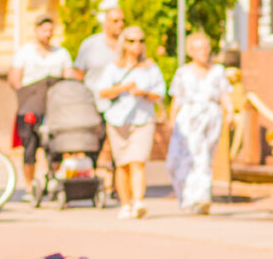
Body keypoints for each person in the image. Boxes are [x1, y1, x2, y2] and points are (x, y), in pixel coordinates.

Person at [91, 26, 166, 218]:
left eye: (141, 41)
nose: (137, 45)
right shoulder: (113, 66)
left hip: (142, 119)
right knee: (122, 164)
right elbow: (102, 91)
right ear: (123, 43)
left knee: (138, 161)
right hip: (118, 121)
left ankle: (139, 202)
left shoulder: (150, 66)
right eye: (131, 41)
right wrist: (123, 87)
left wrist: (144, 93)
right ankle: (125, 204)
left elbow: (161, 93)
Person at [167, 33, 233, 215]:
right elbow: (177, 99)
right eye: (198, 48)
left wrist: (230, 112)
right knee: (177, 160)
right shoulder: (183, 72)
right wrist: (172, 120)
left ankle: (202, 197)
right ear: (190, 51)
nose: (203, 52)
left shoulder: (218, 71)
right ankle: (188, 196)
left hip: (211, 117)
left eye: (205, 48)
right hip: (188, 117)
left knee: (202, 156)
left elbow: (224, 94)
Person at [9, 13, 71, 180]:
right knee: (30, 146)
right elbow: (14, 78)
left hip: (54, 106)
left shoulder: (61, 53)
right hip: (30, 105)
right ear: (36, 31)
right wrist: (25, 95)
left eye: (51, 30)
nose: (48, 34)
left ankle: (53, 180)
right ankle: (29, 185)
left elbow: (69, 77)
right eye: (44, 30)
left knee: (55, 146)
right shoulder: (24, 52)